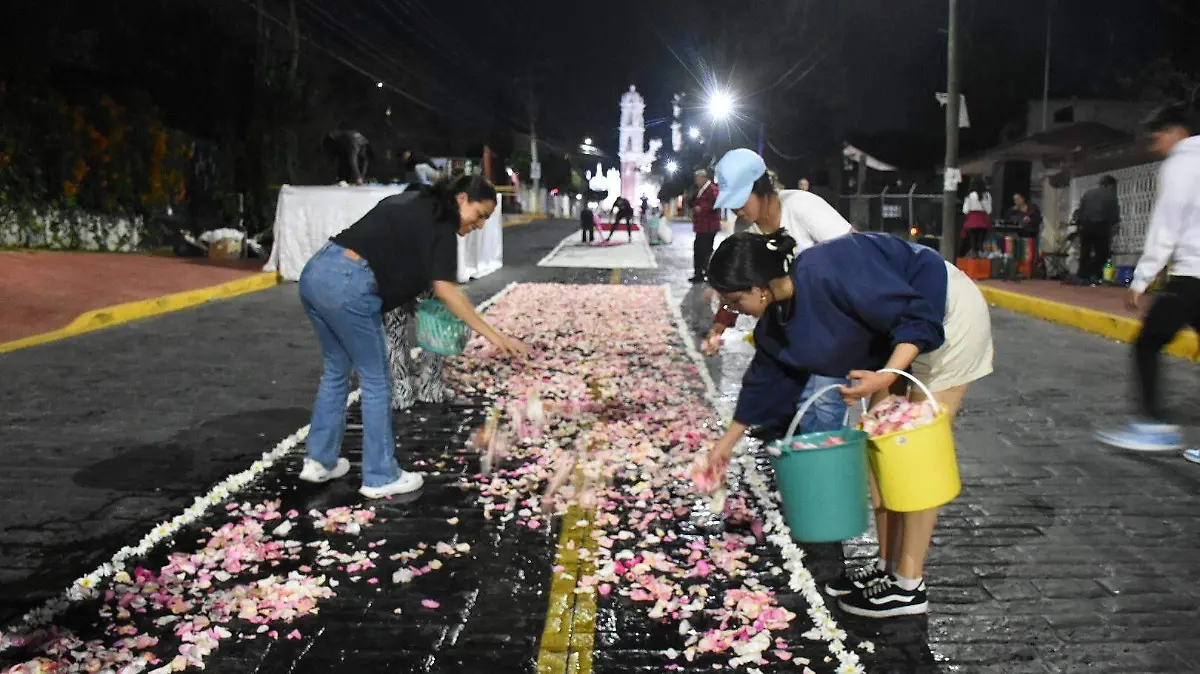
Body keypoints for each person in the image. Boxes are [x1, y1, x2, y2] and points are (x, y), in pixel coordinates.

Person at [699, 231, 994, 618]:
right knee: (879, 450)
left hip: (945, 317)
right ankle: (889, 569)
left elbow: (916, 315)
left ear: (760, 287)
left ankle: (909, 585)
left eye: (736, 301)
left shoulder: (831, 268)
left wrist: (887, 376)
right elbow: (767, 380)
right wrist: (724, 448)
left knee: (913, 450)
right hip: (892, 341)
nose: (735, 310)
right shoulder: (777, 318)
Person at [297, 175, 527, 499]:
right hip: (349, 286)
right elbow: (446, 289)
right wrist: (496, 335)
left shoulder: (415, 202)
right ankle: (379, 475)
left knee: (336, 371)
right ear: (461, 199)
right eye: (480, 214)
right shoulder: (442, 226)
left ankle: (319, 461)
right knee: (378, 381)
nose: (480, 224)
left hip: (317, 272)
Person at [703, 149, 855, 435]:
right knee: (801, 402)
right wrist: (719, 326)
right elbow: (738, 281)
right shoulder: (746, 229)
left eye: (740, 199)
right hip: (794, 330)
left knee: (824, 401)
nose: (737, 209)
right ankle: (805, 465)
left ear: (761, 188)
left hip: (832, 323)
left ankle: (828, 469)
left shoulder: (801, 207)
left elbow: (854, 252)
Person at [1096, 104, 1200, 455]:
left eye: (1157, 136)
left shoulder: (1182, 165)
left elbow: (1165, 226)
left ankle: (1153, 425)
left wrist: (1141, 279)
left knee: (1148, 343)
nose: (1155, 144)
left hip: (1193, 275)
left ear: (1176, 131)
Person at [1076, 175, 1121, 284]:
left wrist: (1080, 225)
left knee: (1085, 251)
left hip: (1086, 225)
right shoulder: (1111, 196)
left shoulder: (1088, 193)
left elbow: (1080, 210)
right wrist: (1114, 225)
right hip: (1102, 226)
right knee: (1101, 253)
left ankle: (1083, 275)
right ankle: (1096, 275)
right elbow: (1114, 215)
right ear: (1110, 185)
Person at [690, 168, 721, 283]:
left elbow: (716, 204)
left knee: (704, 250)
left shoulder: (711, 189)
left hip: (708, 226)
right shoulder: (700, 189)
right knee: (699, 249)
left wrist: (702, 208)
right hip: (701, 226)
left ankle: (706, 273)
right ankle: (699, 273)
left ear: (703, 178)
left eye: (697, 178)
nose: (696, 181)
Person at [959, 177, 992, 257]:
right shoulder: (987, 195)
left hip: (971, 220)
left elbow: (965, 210)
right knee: (980, 242)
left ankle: (974, 255)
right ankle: (980, 255)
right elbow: (989, 210)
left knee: (972, 242)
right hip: (982, 221)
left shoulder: (969, 195)